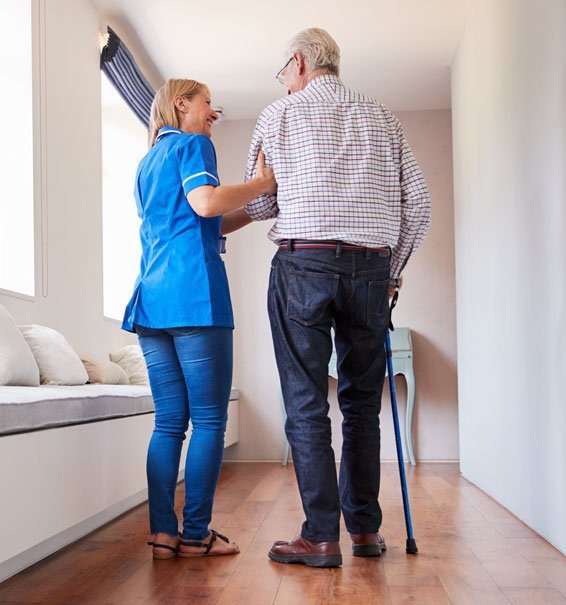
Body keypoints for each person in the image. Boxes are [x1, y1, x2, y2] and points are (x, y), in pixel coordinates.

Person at [243, 28, 431, 567]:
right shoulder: (384, 117)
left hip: (303, 261)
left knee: (306, 403)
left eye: (283, 72)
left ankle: (321, 536)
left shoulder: (279, 116)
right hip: (371, 267)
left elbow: (259, 203)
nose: (282, 82)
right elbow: (417, 206)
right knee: (362, 405)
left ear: (299, 63)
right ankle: (366, 533)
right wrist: (389, 272)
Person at [122, 78, 276, 559]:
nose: (214, 114)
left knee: (169, 422)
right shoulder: (194, 145)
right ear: (181, 103)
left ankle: (163, 532)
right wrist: (262, 184)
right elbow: (206, 203)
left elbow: (203, 218)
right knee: (208, 419)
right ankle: (195, 535)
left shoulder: (147, 163)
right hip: (195, 298)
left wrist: (254, 209)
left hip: (151, 301)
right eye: (208, 103)